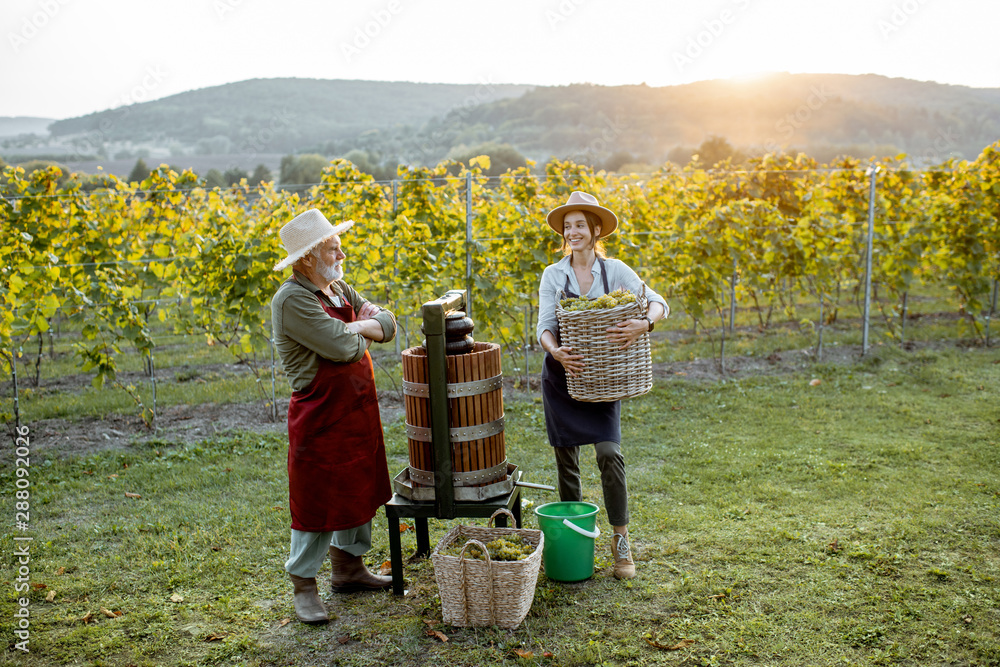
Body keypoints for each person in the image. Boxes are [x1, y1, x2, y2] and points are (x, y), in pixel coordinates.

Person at [270, 208, 397, 624]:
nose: (341, 252)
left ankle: (348, 569)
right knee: (317, 498)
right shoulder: (292, 299)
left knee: (358, 485)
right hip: (320, 414)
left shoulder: (339, 289)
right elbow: (341, 349)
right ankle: (304, 584)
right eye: (332, 247)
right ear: (307, 258)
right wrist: (361, 330)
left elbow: (389, 324)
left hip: (357, 410)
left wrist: (355, 328)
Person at [536, 191, 668, 580]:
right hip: (564, 376)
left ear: (595, 230)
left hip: (604, 381)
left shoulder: (617, 271)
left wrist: (646, 323)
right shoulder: (553, 274)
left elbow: (657, 301)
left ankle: (621, 540)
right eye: (567, 226)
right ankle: (571, 540)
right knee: (567, 463)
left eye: (580, 225)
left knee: (609, 452)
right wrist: (556, 352)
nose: (572, 232)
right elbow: (545, 325)